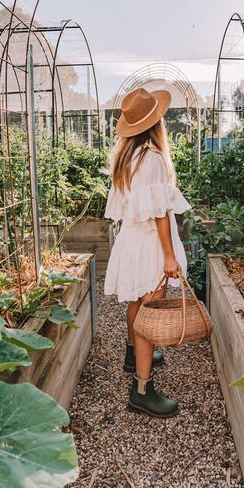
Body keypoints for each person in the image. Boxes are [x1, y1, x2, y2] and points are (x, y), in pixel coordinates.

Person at [104, 87, 191, 418]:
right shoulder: (153, 159)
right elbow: (159, 213)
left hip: (130, 241)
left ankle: (133, 355)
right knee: (148, 313)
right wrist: (169, 257)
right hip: (149, 244)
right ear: (155, 124)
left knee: (136, 306)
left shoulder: (126, 157)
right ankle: (142, 390)